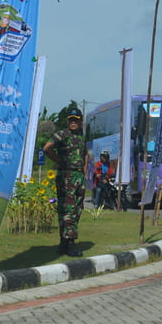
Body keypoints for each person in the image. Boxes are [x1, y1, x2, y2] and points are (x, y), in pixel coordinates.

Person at [42, 109, 89, 257]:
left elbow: (85, 153)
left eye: (76, 120)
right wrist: (60, 161)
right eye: (71, 120)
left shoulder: (81, 136)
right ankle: (69, 243)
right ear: (67, 121)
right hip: (67, 176)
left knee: (77, 209)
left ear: (81, 121)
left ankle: (64, 242)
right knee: (68, 209)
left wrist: (85, 172)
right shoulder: (62, 134)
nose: (73, 122)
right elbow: (46, 148)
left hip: (78, 176)